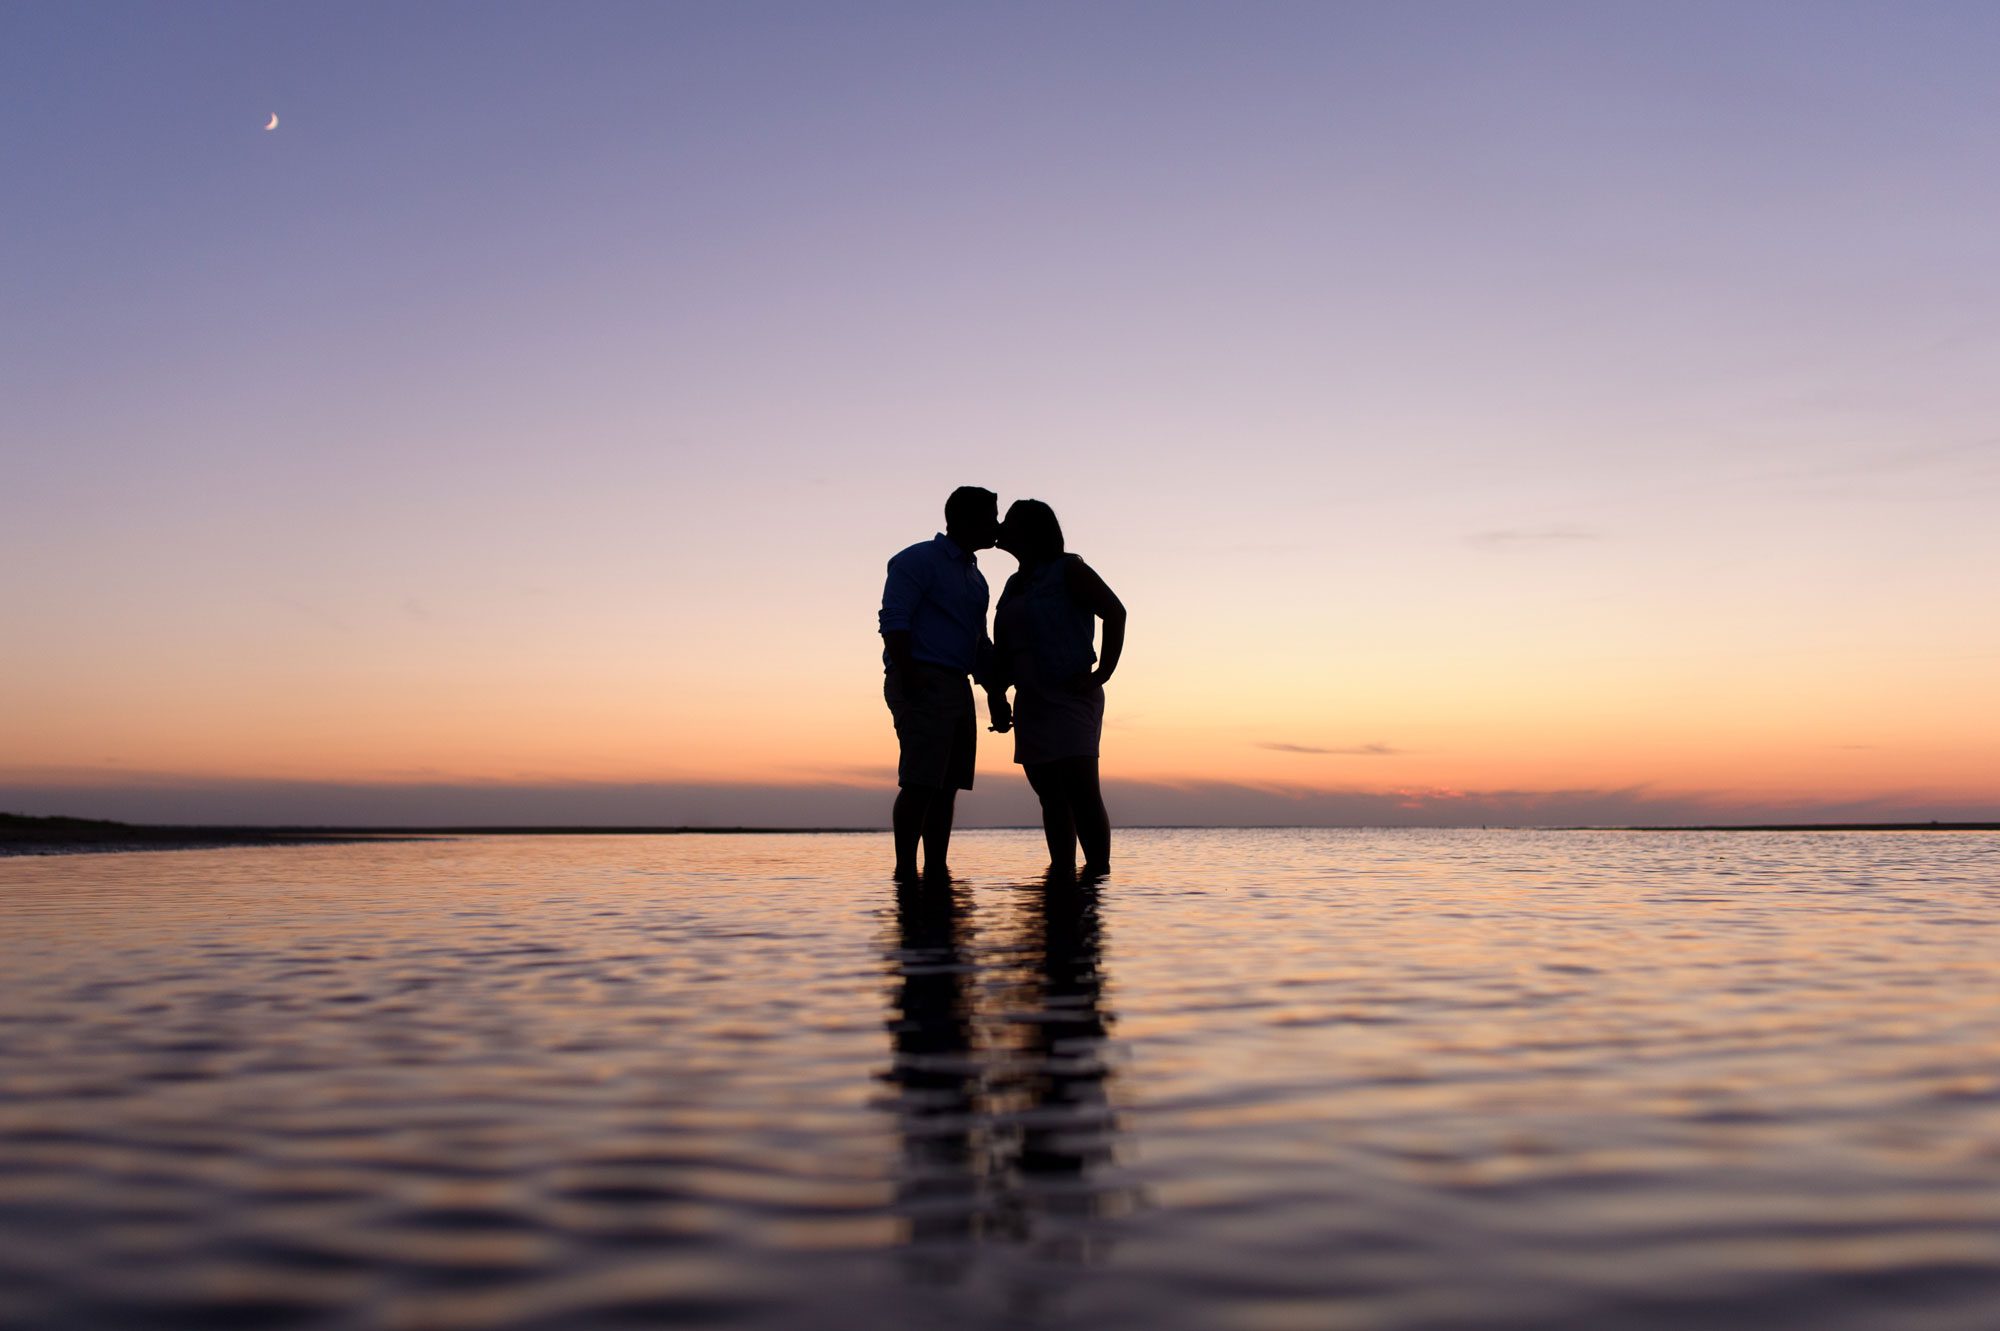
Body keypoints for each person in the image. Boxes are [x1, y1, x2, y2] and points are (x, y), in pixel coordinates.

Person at [879, 486, 1011, 879]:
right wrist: (909, 676)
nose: (997, 525)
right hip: (921, 675)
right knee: (921, 782)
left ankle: (936, 869)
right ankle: (905, 871)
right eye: (992, 517)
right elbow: (894, 619)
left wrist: (996, 694)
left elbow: (978, 643)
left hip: (956, 684)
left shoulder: (976, 579)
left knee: (947, 785)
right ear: (967, 520)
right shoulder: (917, 560)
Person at [991, 499, 1126, 877]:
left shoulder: (1069, 570)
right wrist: (997, 695)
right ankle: (1062, 875)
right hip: (1031, 701)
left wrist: (1102, 673)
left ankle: (1097, 877)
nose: (1001, 528)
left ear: (1032, 531)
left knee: (1082, 792)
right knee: (1050, 795)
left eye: (1010, 522)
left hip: (1071, 696)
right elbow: (1004, 651)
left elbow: (1115, 612)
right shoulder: (1013, 586)